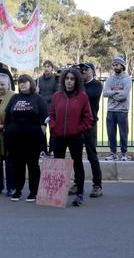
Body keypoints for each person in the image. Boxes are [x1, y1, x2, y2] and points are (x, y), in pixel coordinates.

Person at [49, 68, 93, 207]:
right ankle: (57, 194)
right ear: (63, 80)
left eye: (72, 79)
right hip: (58, 136)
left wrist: (78, 130)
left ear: (76, 81)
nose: (69, 81)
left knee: (78, 164)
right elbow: (51, 115)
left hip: (75, 137)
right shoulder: (57, 96)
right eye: (67, 78)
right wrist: (54, 127)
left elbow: (88, 118)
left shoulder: (82, 96)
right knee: (58, 165)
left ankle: (79, 193)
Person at [5, 74, 47, 202]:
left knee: (33, 165)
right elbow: (7, 116)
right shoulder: (14, 98)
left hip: (33, 138)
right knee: (17, 164)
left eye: (25, 82)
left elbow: (45, 117)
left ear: (31, 83)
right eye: (20, 82)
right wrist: (7, 131)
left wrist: (42, 130)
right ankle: (18, 190)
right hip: (15, 139)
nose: (22, 84)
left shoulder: (38, 98)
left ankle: (34, 192)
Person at [73, 62, 103, 198]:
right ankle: (77, 183)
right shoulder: (78, 86)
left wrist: (78, 83)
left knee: (92, 155)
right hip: (76, 124)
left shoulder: (96, 85)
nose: (83, 72)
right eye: (81, 70)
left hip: (90, 124)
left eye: (85, 69)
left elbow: (87, 96)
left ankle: (97, 185)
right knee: (76, 156)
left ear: (92, 71)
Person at [103, 55, 132, 161]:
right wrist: (115, 92)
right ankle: (113, 153)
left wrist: (112, 94)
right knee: (111, 133)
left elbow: (123, 96)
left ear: (122, 65)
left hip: (122, 110)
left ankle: (124, 153)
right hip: (111, 110)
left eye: (117, 65)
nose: (115, 67)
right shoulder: (110, 79)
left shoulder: (127, 79)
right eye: (114, 65)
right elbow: (105, 93)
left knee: (123, 133)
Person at [36, 60, 59, 155]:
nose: (46, 68)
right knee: (42, 129)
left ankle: (52, 149)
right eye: (45, 66)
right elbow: (35, 94)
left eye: (48, 66)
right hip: (41, 109)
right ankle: (42, 150)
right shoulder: (39, 80)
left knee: (53, 129)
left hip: (52, 108)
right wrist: (36, 91)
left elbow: (56, 93)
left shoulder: (55, 79)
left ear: (52, 68)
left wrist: (43, 97)